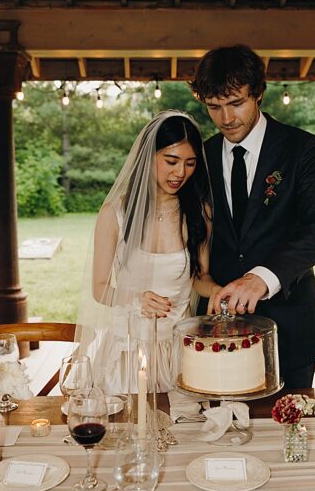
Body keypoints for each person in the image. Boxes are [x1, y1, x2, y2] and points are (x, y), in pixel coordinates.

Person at [190, 44, 315, 388]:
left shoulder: (301, 148)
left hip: (292, 329)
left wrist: (261, 279)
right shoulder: (202, 156)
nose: (226, 118)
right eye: (214, 107)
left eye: (236, 103)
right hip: (218, 335)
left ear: (258, 94)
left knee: (294, 435)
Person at [77, 110, 219, 393]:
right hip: (128, 348)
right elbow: (100, 288)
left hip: (179, 349)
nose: (180, 173)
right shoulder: (115, 214)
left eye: (190, 164)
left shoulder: (199, 213)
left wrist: (215, 290)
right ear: (147, 156)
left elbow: (200, 277)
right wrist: (135, 299)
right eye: (171, 161)